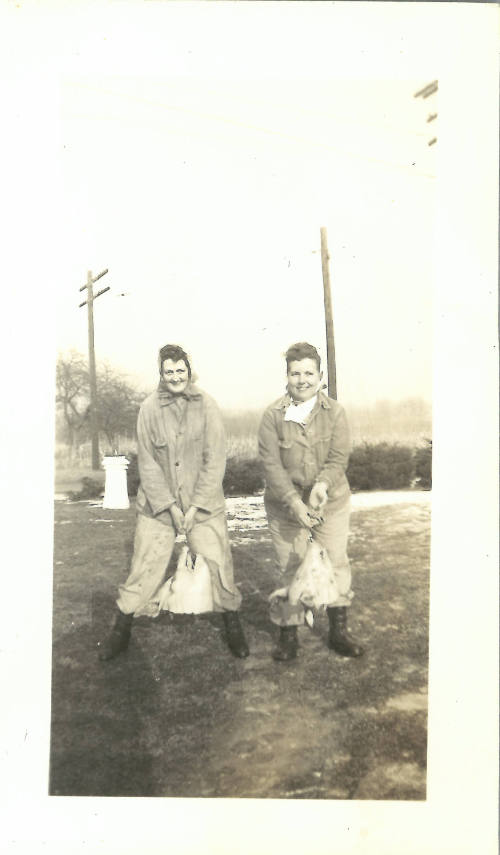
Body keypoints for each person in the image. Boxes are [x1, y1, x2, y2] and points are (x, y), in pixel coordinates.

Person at [98, 344, 249, 661]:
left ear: (189, 371)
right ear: (161, 374)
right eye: (169, 371)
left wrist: (194, 507)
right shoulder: (149, 409)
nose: (176, 376)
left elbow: (215, 459)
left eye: (181, 370)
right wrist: (170, 507)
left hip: (204, 506)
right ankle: (120, 632)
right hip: (158, 508)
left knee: (219, 565)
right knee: (144, 567)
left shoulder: (207, 406)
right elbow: (148, 465)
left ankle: (233, 628)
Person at [258, 341, 364, 662]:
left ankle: (338, 632)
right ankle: (288, 636)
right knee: (290, 565)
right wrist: (294, 503)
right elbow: (271, 466)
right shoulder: (272, 416)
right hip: (285, 509)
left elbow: (338, 456)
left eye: (309, 373)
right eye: (295, 373)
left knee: (336, 563)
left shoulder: (336, 413)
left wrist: (322, 486)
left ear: (320, 376)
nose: (302, 380)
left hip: (329, 503)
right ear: (286, 376)